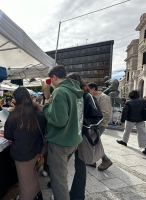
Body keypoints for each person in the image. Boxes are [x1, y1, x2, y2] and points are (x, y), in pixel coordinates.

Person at [42, 66, 84, 200]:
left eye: (51, 80)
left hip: (60, 142)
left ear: (54, 77)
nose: (51, 83)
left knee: (59, 181)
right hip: (73, 139)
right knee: (62, 175)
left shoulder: (60, 91)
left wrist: (47, 107)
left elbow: (59, 120)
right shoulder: (77, 91)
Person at [4, 87, 47, 200]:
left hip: (22, 153)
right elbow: (44, 129)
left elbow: (8, 136)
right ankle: (37, 195)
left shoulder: (14, 116)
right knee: (32, 174)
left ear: (16, 99)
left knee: (24, 181)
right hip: (36, 150)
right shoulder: (37, 112)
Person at [67, 74, 103, 200]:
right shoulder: (69, 96)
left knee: (80, 167)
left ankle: (77, 196)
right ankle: (56, 184)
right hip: (68, 137)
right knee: (61, 163)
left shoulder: (87, 96)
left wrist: (80, 123)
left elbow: (98, 117)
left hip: (82, 138)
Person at [87, 82, 113, 170]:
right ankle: (93, 160)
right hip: (94, 124)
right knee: (93, 141)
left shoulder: (104, 98)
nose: (88, 92)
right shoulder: (92, 97)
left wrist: (97, 125)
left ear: (94, 89)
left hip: (99, 124)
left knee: (94, 141)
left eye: (89, 90)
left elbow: (106, 114)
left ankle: (106, 160)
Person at [117, 90, 146, 156]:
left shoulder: (128, 102)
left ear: (130, 95)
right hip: (140, 119)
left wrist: (122, 120)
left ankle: (124, 141)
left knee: (127, 131)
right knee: (142, 133)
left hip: (130, 119)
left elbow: (124, 112)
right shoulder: (143, 101)